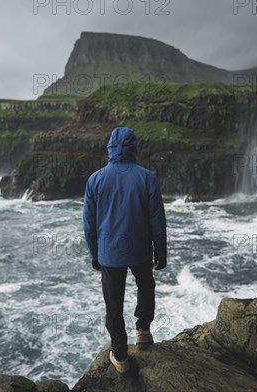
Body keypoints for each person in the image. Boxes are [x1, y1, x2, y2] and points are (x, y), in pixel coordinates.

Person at [83, 126, 167, 374]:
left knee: (113, 303)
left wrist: (94, 253)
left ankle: (120, 355)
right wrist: (160, 252)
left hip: (109, 253)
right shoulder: (147, 177)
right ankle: (143, 330)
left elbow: (89, 222)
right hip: (141, 249)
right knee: (146, 286)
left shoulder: (95, 179)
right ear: (133, 148)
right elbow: (157, 220)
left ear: (110, 148)